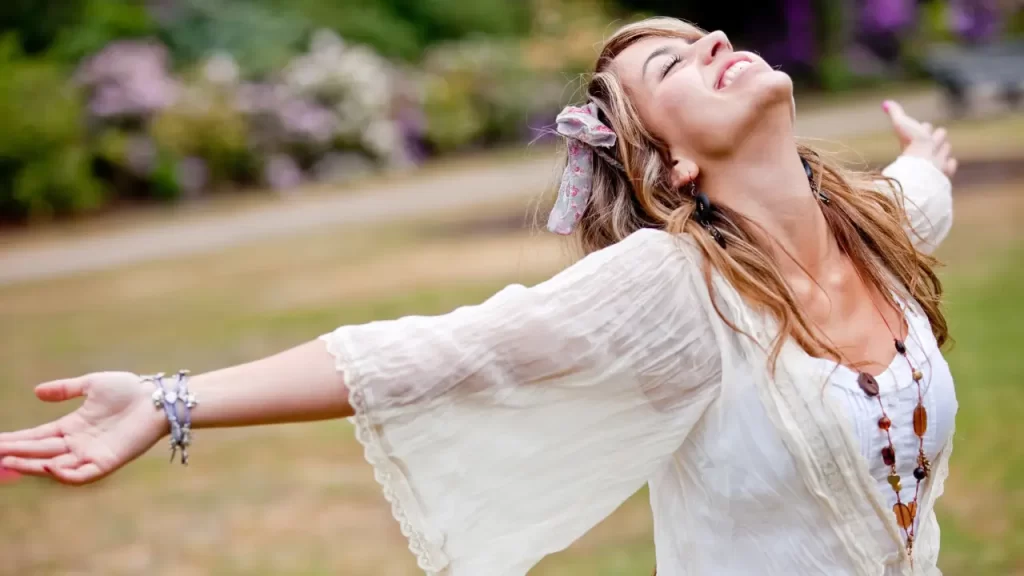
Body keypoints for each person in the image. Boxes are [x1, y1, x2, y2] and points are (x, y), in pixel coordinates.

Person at [0, 17, 958, 576]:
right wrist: (172, 400)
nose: (715, 37)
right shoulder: (677, 292)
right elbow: (441, 350)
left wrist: (923, 155)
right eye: (672, 66)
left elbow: (921, 196)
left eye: (704, 34)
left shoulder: (874, 224)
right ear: (678, 165)